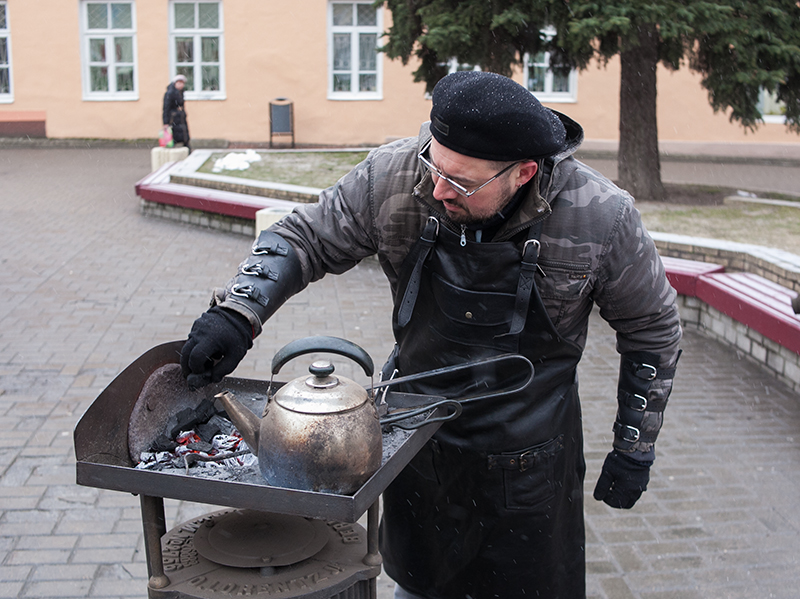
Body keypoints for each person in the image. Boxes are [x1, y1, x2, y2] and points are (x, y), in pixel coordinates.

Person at [180, 71, 682, 599]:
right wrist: (238, 313)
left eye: (461, 183)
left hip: (529, 461)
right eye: (433, 164)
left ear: (523, 172)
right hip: (415, 442)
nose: (437, 188)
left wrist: (634, 446)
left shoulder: (599, 217)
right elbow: (304, 236)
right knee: (417, 587)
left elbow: (653, 329)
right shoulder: (396, 176)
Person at [162, 74, 190, 151]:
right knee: (173, 137)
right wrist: (165, 122)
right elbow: (166, 108)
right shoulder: (170, 93)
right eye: (179, 83)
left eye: (182, 83)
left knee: (184, 136)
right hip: (173, 118)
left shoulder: (181, 92)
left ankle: (187, 150)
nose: (181, 85)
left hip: (180, 117)